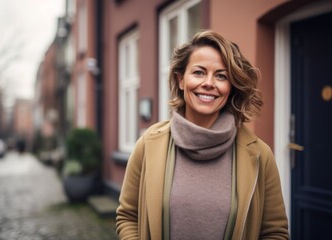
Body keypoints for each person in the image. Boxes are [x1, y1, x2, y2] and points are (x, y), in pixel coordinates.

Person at [116, 30, 289, 240]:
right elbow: (128, 216)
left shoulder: (260, 155)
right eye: (198, 72)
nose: (209, 83)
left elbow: (275, 232)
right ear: (181, 80)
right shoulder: (149, 144)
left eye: (221, 76)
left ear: (231, 87)